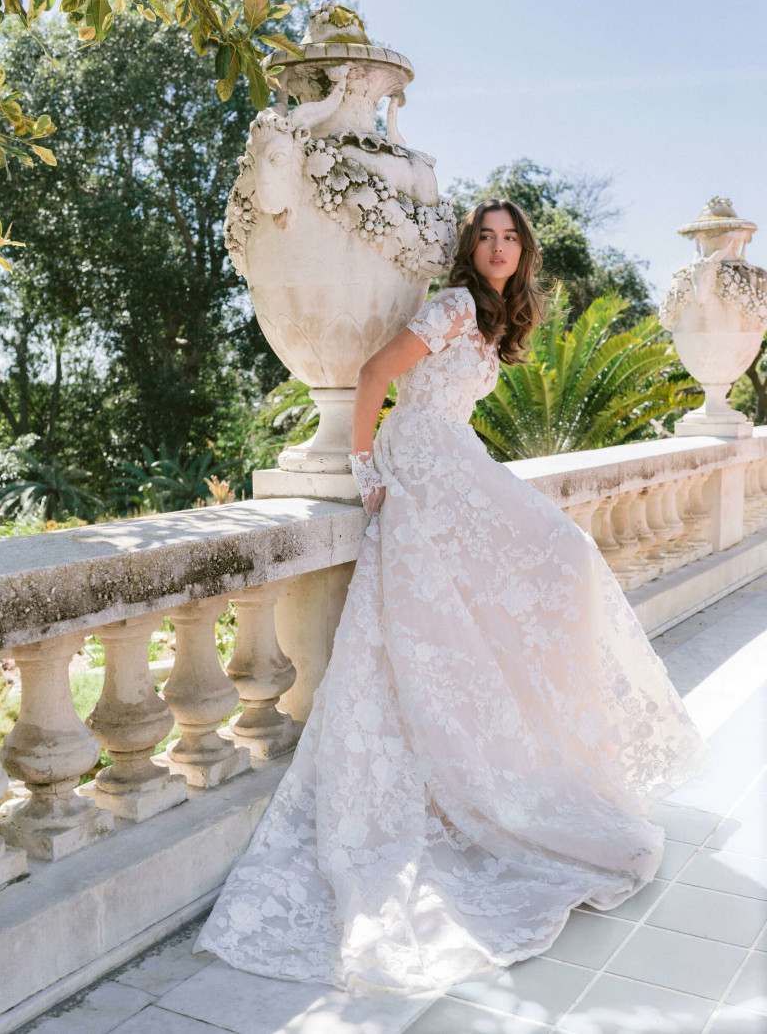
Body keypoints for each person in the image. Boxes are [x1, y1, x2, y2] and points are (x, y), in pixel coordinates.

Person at [195, 198, 706, 995]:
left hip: (453, 458)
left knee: (557, 560)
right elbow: (374, 377)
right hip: (421, 465)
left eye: (511, 238)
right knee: (555, 555)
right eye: (486, 236)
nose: (499, 248)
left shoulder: (496, 316)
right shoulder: (455, 303)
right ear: (470, 247)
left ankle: (538, 748)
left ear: (523, 251)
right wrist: (366, 468)